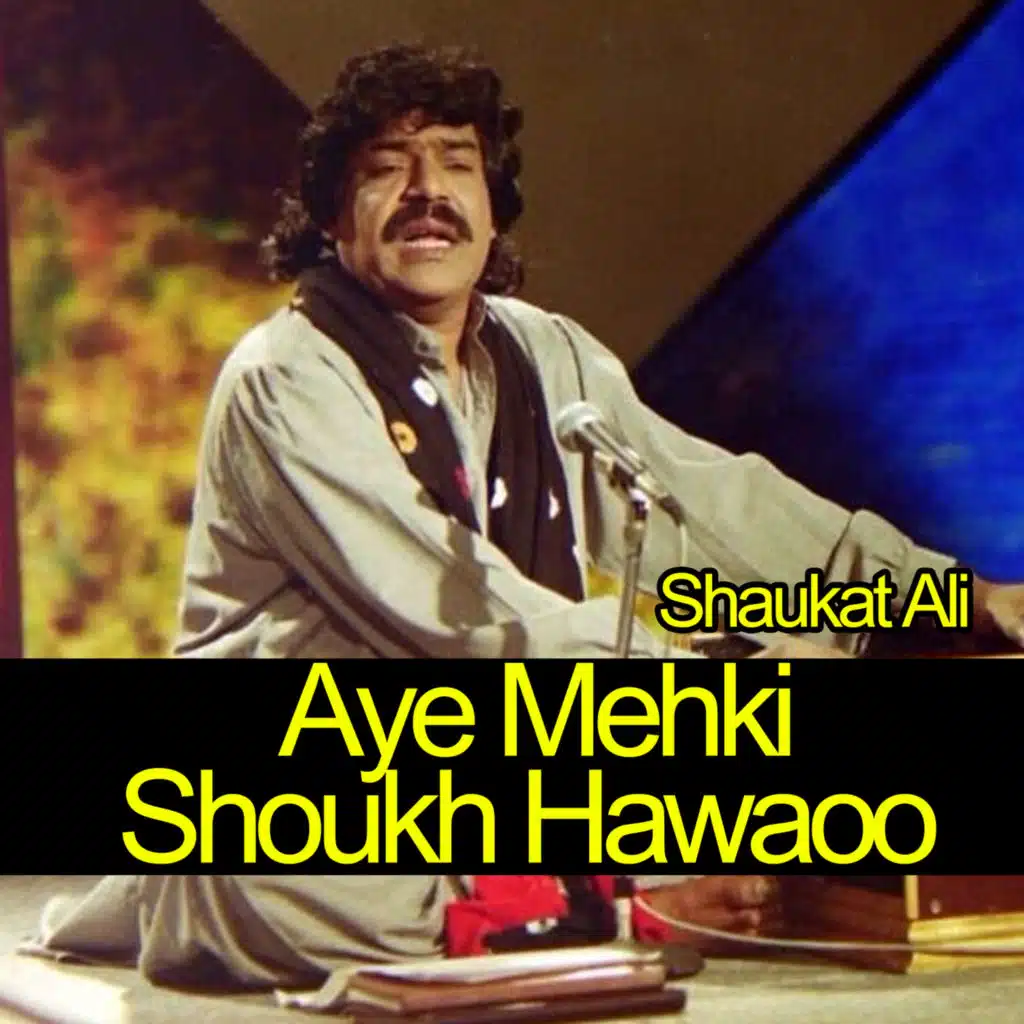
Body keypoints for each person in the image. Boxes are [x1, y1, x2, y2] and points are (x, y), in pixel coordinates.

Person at [26, 42, 1024, 992]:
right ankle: (597, 907)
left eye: (455, 163)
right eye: (387, 167)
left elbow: (716, 507)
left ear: (492, 207)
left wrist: (944, 600)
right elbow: (459, 618)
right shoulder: (286, 375)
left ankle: (580, 886)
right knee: (277, 863)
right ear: (332, 215)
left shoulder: (546, 355)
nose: (427, 191)